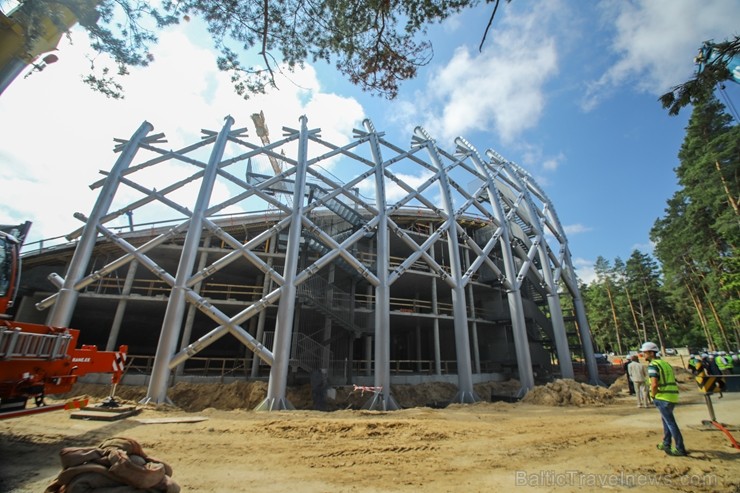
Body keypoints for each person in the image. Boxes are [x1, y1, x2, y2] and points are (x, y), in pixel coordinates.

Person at [641, 341, 687, 456]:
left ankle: (680, 448)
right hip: (671, 396)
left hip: (662, 396)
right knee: (666, 421)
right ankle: (666, 443)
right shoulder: (665, 364)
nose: (643, 355)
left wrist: (653, 395)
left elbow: (654, 384)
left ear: (651, 353)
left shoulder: (653, 365)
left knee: (670, 423)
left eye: (645, 352)